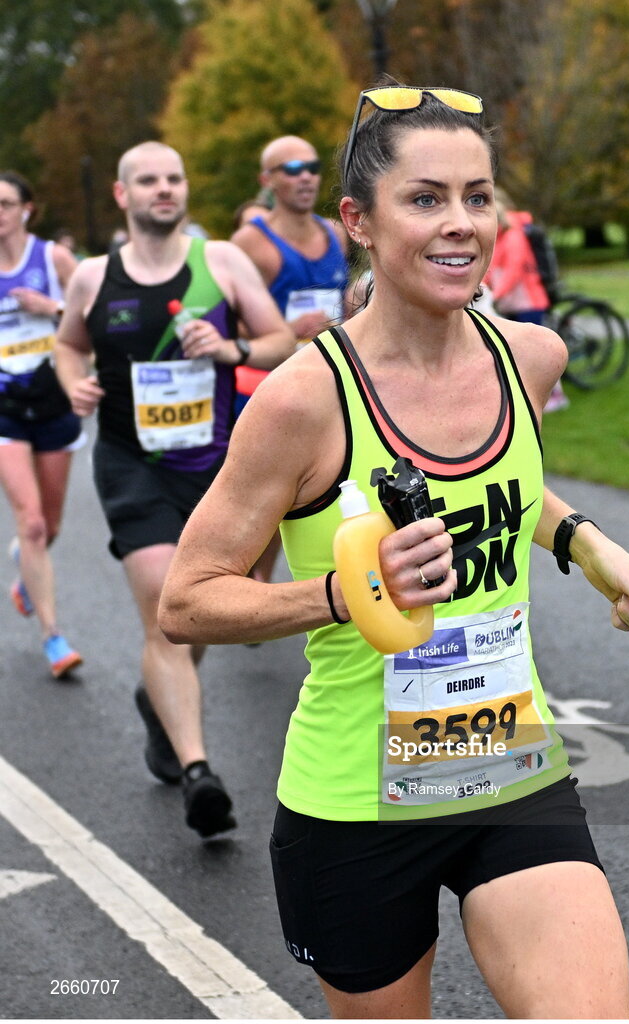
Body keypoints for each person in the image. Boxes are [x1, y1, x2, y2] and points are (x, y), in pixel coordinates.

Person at [158, 86, 629, 1016]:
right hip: (357, 805)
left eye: (478, 197)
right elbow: (188, 599)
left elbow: (501, 487)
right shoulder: (303, 401)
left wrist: (586, 542)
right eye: (426, 198)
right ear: (358, 219)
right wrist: (349, 594)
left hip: (512, 765)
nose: (461, 224)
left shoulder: (530, 358)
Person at [54, 141, 296, 839]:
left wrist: (231, 351)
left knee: (199, 615)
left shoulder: (218, 263)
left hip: (219, 469)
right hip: (133, 464)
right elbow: (69, 343)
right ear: (122, 196)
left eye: (174, 178)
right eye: (149, 181)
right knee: (167, 610)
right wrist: (76, 380)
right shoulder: (94, 278)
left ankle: (157, 700)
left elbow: (280, 338)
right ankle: (198, 773)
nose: (165, 189)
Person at [230, 136, 351, 585]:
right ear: (268, 181)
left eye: (312, 166)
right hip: (267, 391)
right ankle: (244, 575)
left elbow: (345, 302)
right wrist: (289, 327)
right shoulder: (251, 242)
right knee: (268, 496)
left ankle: (264, 576)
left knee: (312, 491)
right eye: (291, 168)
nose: (305, 176)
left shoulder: (335, 233)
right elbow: (227, 322)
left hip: (328, 385)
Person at [0, 170, 85, 678]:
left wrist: (51, 307)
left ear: (27, 209)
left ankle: (25, 571)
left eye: (6, 204)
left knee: (49, 525)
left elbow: (90, 317)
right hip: (5, 404)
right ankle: (54, 637)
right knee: (30, 522)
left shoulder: (53, 259)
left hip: (53, 400)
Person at [485, 187, 568, 412]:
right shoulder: (499, 236)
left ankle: (556, 395)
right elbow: (492, 268)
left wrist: (496, 294)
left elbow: (514, 269)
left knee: (538, 351)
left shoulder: (514, 235)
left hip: (528, 301)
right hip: (509, 302)